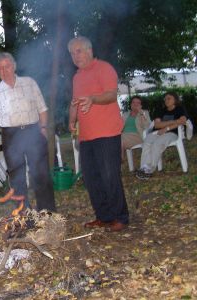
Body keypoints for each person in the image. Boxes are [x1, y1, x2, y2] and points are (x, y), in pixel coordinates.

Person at [67, 36, 128, 231]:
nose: (75, 56)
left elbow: (111, 94)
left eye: (78, 51)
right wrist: (71, 121)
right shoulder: (77, 77)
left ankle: (120, 217)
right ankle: (104, 216)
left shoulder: (104, 68)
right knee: (91, 177)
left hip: (107, 132)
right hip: (86, 136)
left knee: (110, 176)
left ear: (89, 50)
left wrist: (93, 98)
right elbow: (75, 102)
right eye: (71, 53)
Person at [0, 52, 56, 212]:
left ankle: (48, 213)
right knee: (17, 178)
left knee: (41, 174)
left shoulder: (29, 83)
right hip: (10, 136)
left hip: (33, 131)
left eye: (7, 66)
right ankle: (24, 215)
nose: (4, 71)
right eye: (0, 68)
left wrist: (43, 128)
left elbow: (42, 109)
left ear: (14, 66)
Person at [136, 91, 188, 179]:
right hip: (157, 132)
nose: (166, 101)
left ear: (175, 99)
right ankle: (144, 167)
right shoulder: (161, 110)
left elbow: (182, 121)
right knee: (147, 141)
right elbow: (157, 125)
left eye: (169, 98)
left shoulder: (180, 109)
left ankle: (149, 169)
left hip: (172, 133)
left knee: (158, 143)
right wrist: (175, 121)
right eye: (165, 99)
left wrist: (166, 128)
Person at [121, 95, 151, 160]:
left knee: (119, 139)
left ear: (141, 105)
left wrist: (141, 113)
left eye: (138, 103)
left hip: (137, 136)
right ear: (131, 104)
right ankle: (119, 160)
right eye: (133, 102)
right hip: (124, 136)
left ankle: (120, 161)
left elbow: (147, 126)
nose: (135, 104)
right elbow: (119, 126)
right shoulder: (125, 114)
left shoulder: (144, 113)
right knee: (115, 139)